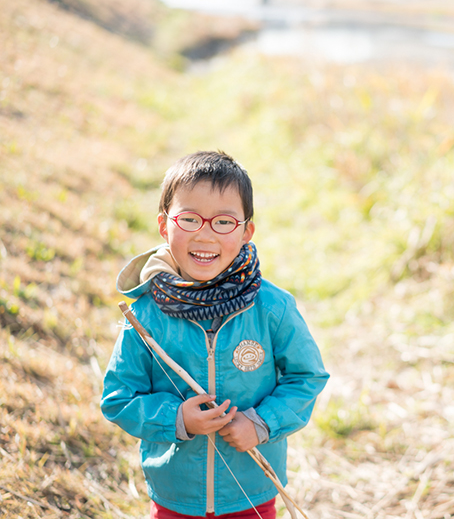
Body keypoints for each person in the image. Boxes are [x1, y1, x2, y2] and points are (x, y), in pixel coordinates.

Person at [101, 151, 329, 518]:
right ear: (164, 225)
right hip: (175, 497)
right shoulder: (145, 313)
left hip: (252, 494)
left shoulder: (271, 308)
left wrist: (261, 423)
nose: (205, 234)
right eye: (189, 219)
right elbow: (117, 397)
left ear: (246, 231)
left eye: (223, 222)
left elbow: (308, 377)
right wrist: (177, 419)